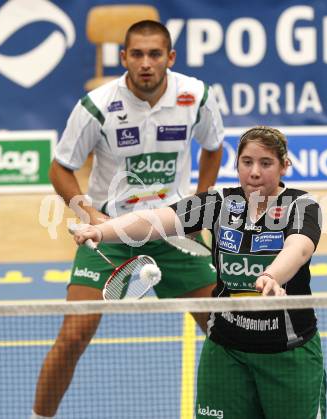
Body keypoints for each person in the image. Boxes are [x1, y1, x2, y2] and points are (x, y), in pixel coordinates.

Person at [31, 20, 224, 418]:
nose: (146, 63)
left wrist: (200, 204)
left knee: (225, 331)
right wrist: (87, 211)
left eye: (155, 54)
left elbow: (213, 147)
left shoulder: (196, 96)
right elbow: (60, 168)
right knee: (73, 336)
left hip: (172, 230)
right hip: (111, 233)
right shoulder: (97, 106)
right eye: (137, 54)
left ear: (170, 57)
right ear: (124, 58)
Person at [72, 126, 327, 419]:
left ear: (284, 166)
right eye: (247, 162)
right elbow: (155, 221)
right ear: (237, 165)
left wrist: (273, 275)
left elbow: (300, 247)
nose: (254, 172)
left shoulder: (302, 204)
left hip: (288, 351)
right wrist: (101, 231)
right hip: (226, 349)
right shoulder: (218, 202)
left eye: (266, 163)